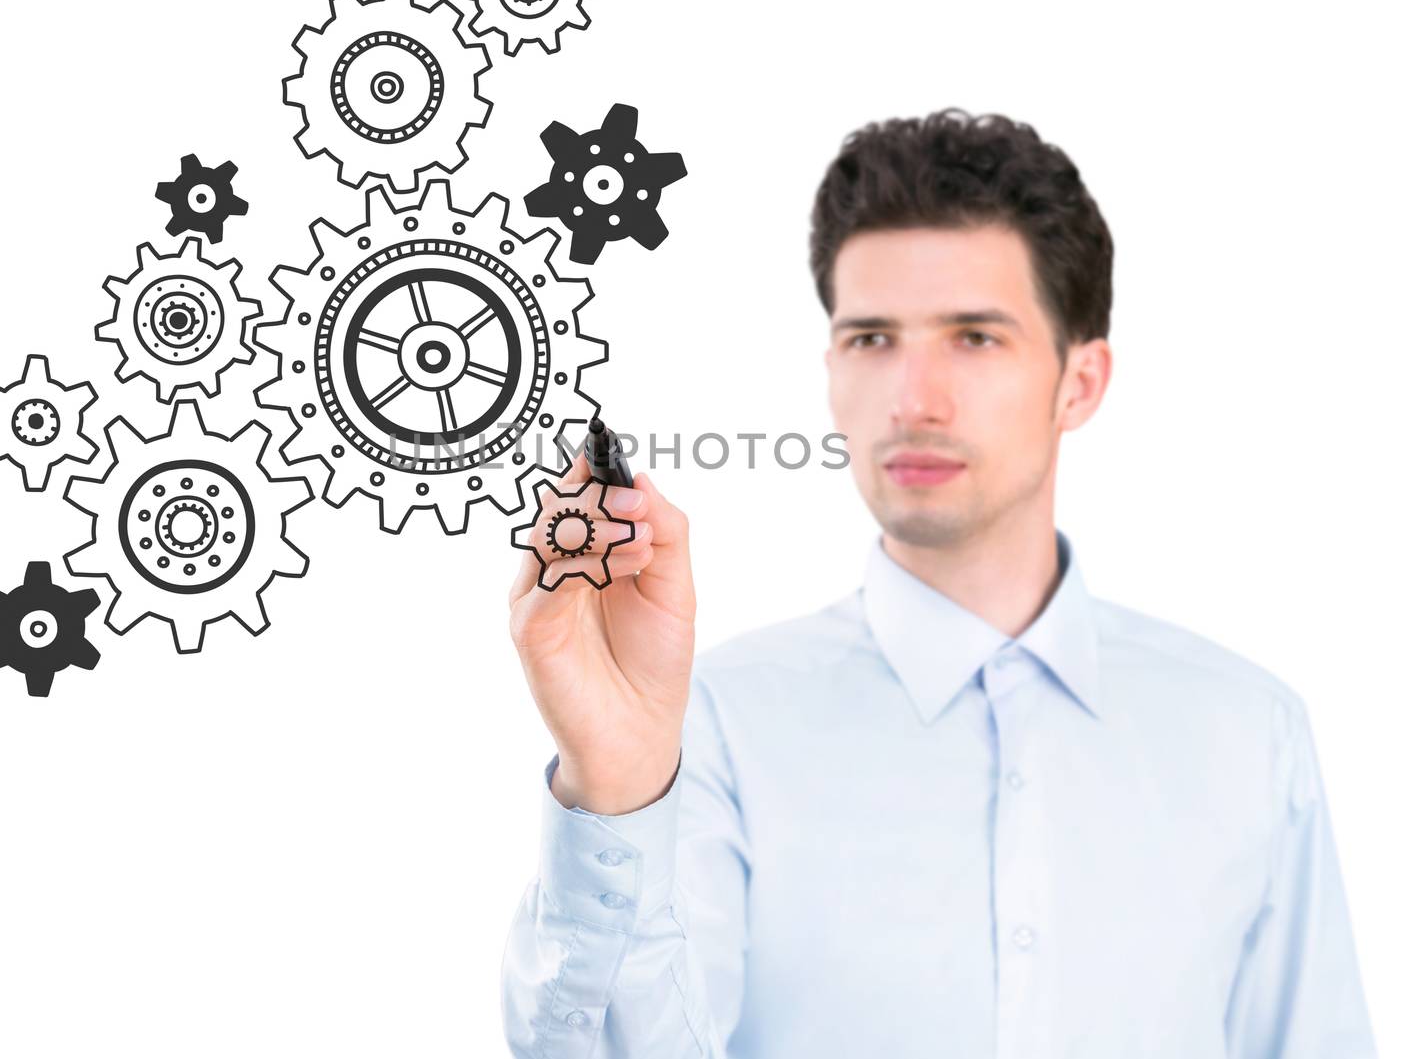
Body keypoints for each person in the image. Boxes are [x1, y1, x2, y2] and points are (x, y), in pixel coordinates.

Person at [500, 109, 1377, 1057]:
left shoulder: (1250, 733)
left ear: (1079, 383)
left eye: (975, 337)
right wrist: (621, 787)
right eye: (873, 338)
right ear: (832, 371)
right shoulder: (710, 730)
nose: (913, 399)